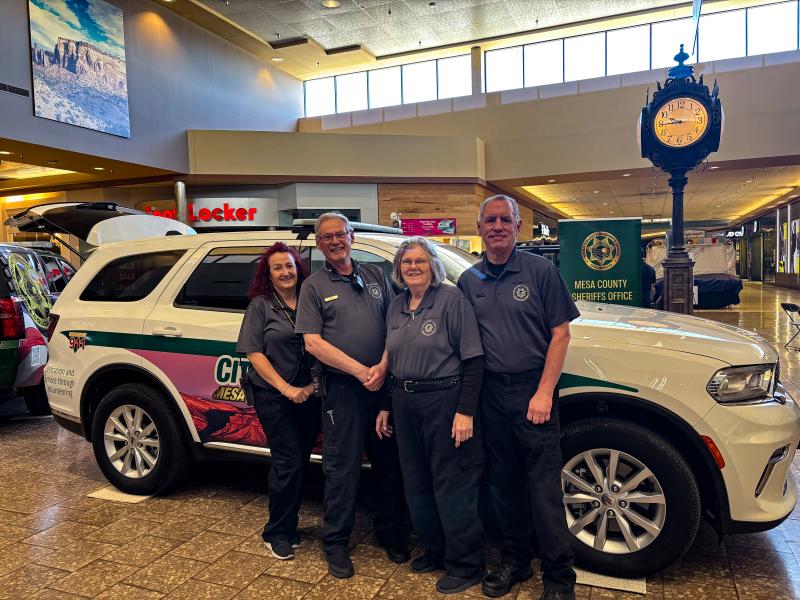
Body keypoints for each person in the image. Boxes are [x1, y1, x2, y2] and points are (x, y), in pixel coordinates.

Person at [458, 195, 579, 600]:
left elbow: (561, 334)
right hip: (491, 394)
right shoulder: (468, 281)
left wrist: (544, 392)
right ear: (479, 228)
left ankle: (560, 579)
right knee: (503, 486)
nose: (496, 226)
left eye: (503, 220)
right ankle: (516, 561)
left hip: (533, 392)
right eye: (489, 220)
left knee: (543, 488)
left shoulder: (541, 271)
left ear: (517, 227)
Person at [295, 212, 409, 578]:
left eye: (340, 235)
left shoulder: (376, 275)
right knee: (341, 470)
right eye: (326, 237)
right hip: (344, 391)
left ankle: (390, 534)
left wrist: (382, 367)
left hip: (382, 387)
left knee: (389, 464)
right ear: (318, 243)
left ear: (352, 237)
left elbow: (397, 323)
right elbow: (312, 343)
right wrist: (362, 372)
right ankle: (336, 544)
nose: (334, 242)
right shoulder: (313, 286)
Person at [376, 237, 486, 595]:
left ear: (433, 265)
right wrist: (386, 405)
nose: (412, 267)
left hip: (445, 399)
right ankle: (435, 551)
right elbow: (392, 362)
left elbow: (473, 360)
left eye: (420, 261)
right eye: (406, 262)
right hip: (406, 403)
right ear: (398, 269)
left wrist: (465, 412)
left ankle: (466, 563)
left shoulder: (452, 301)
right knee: (417, 484)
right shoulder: (395, 306)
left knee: (452, 485)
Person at [236, 242, 320, 561]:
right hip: (274, 396)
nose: (285, 272)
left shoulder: (311, 302)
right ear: (268, 275)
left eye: (289, 265)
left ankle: (290, 525)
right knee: (289, 461)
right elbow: (254, 353)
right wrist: (286, 388)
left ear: (298, 268)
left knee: (300, 460)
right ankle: (276, 532)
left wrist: (312, 387)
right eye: (277, 267)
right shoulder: (261, 306)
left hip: (310, 395)